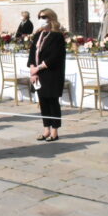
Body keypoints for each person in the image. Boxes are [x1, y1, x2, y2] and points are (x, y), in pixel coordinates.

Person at [28, 9, 66, 142]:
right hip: (38, 75)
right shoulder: (38, 35)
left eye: (43, 17)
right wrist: (33, 69)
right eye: (39, 17)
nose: (41, 19)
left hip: (51, 74)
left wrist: (38, 67)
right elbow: (32, 53)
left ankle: (54, 131)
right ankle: (46, 130)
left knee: (52, 102)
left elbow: (55, 57)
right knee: (43, 102)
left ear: (51, 18)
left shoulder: (57, 36)